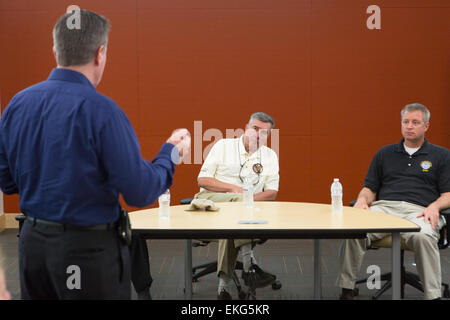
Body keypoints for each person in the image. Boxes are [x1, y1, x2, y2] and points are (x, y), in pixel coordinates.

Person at [0, 9, 190, 300]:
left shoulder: (17, 105)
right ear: (100, 53)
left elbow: (8, 182)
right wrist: (170, 153)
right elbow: (140, 191)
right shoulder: (103, 112)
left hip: (32, 249)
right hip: (86, 253)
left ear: (55, 51)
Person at [336, 103, 450, 300]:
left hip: (420, 211)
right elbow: (370, 188)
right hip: (385, 209)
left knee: (423, 236)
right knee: (353, 231)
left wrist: (435, 206)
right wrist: (363, 200)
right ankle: (347, 289)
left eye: (415, 122)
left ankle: (433, 296)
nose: (409, 126)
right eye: (406, 122)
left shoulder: (441, 155)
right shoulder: (385, 153)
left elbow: (448, 194)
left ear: (426, 126)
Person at [194, 112, 280, 300]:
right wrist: (234, 189)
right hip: (212, 201)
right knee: (237, 205)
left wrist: (247, 200)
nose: (258, 135)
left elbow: (272, 192)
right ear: (246, 127)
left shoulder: (270, 156)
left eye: (264, 132)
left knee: (230, 227)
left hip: (242, 213)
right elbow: (203, 180)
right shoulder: (223, 145)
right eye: (255, 129)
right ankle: (250, 266)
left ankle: (223, 288)